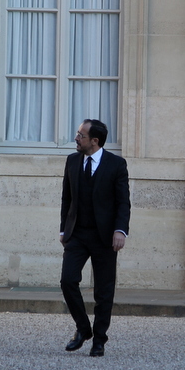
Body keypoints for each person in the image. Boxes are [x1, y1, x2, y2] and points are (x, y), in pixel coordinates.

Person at [59, 119, 131, 357]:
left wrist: (120, 231)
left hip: (105, 237)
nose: (76, 138)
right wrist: (63, 230)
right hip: (77, 234)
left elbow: (123, 202)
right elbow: (66, 199)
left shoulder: (116, 165)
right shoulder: (71, 161)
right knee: (68, 281)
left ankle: (99, 339)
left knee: (104, 291)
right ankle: (83, 329)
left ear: (94, 141)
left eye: (80, 135)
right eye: (77, 133)